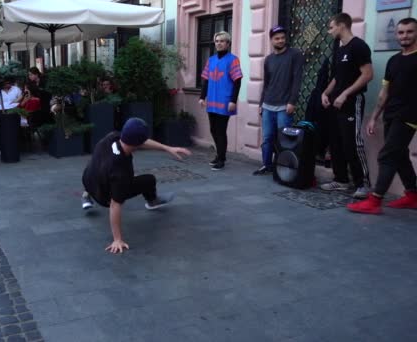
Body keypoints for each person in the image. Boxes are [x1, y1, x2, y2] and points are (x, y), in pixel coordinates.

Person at [81, 118, 192, 254]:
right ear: (137, 144)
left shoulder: (112, 137)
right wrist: (117, 239)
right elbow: (115, 206)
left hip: (88, 180)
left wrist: (166, 148)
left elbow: (141, 141)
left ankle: (86, 195)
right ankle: (152, 201)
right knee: (148, 180)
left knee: (101, 167)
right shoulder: (121, 171)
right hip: (103, 196)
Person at [347, 17, 417, 214]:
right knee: (400, 156)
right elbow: (384, 92)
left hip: (409, 117)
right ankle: (413, 196)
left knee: (387, 155)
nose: (405, 36)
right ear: (396, 35)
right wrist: (374, 117)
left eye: (410, 32)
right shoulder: (394, 60)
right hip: (391, 114)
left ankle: (375, 201)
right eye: (401, 32)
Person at [320, 13, 373, 198]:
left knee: (352, 144)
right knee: (336, 143)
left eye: (331, 27)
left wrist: (345, 93)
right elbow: (337, 77)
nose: (329, 31)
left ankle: (363, 184)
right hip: (335, 104)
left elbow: (367, 74)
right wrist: (325, 93)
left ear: (342, 25)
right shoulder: (340, 49)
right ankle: (341, 180)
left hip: (352, 102)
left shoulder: (358, 46)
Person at [254, 25, 305, 175]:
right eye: (277, 38)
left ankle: (282, 167)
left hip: (284, 106)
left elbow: (297, 80)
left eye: (283, 37)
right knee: (267, 138)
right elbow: (266, 83)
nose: (281, 40)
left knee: (285, 139)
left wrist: (292, 101)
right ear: (271, 40)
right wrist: (261, 103)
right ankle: (266, 165)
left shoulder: (295, 54)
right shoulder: (268, 59)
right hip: (268, 105)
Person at [198, 31, 243, 171]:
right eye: (217, 41)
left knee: (221, 131)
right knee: (213, 129)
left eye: (222, 41)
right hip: (212, 101)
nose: (219, 43)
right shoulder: (211, 60)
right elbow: (205, 80)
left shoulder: (233, 60)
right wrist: (201, 97)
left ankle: (222, 159)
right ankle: (219, 155)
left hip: (225, 102)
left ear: (228, 43)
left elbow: (237, 81)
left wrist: (233, 100)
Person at [0, 78, 23, 155]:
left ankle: (15, 146)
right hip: (1, 115)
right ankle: (2, 147)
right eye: (6, 83)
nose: (8, 84)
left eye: (9, 82)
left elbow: (21, 101)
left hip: (15, 114)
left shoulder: (16, 89)